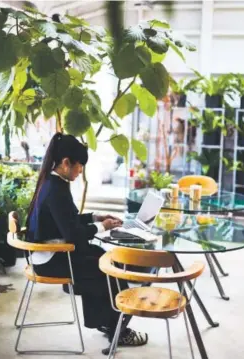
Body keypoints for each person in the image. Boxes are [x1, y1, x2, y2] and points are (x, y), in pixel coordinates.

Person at [26, 133, 148, 352]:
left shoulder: (53, 182)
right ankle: (118, 329)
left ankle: (106, 323)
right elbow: (72, 234)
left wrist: (95, 217)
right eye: (79, 166)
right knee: (109, 268)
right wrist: (105, 227)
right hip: (51, 259)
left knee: (102, 257)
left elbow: (66, 221)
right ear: (66, 163)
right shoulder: (56, 189)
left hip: (52, 252)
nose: (80, 171)